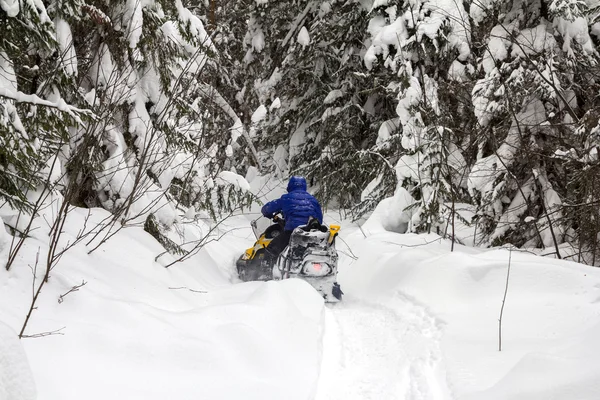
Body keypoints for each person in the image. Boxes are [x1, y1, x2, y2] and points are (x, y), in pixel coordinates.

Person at [261, 176, 323, 260]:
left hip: (292, 233)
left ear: (290, 186)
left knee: (271, 249)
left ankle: (265, 271)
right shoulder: (313, 200)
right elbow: (319, 219)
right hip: (310, 235)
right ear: (304, 186)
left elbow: (266, 209)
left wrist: (269, 215)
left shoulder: (286, 198)